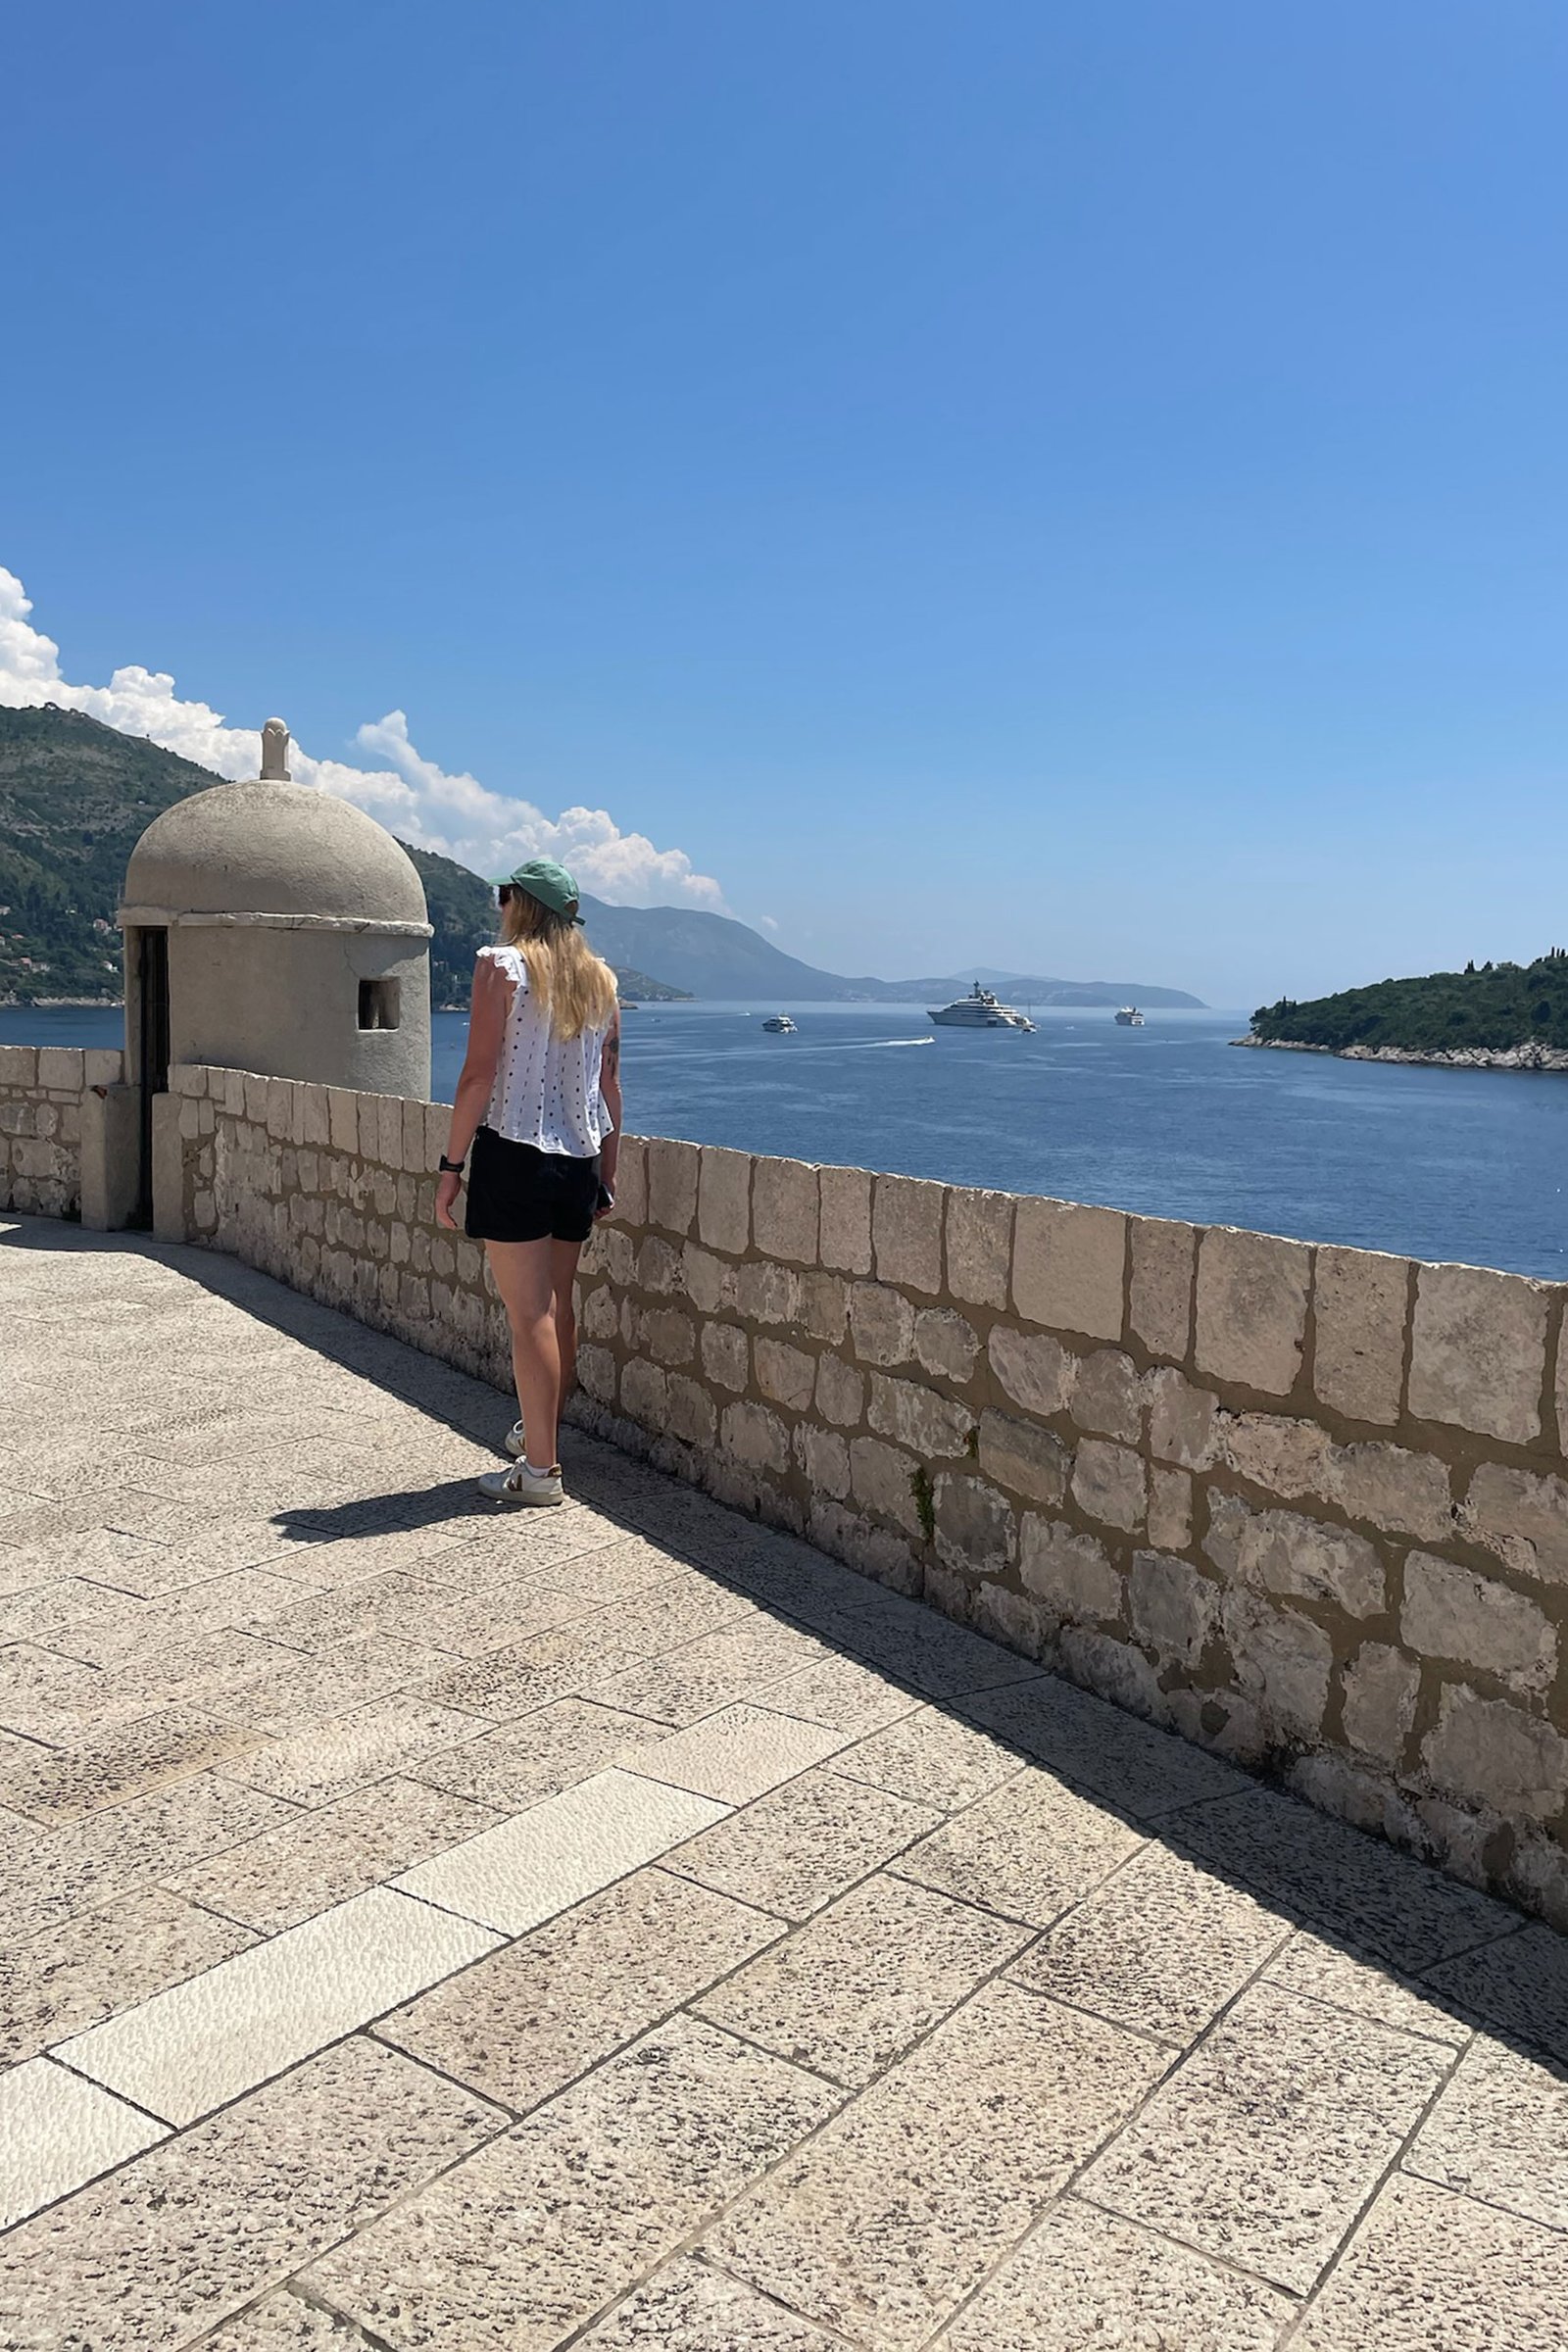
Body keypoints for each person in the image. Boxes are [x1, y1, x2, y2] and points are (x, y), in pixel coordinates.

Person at [434, 858, 620, 1505]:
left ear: (519, 903)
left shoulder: (500, 967)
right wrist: (608, 1174)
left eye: (502, 895)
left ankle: (540, 1473)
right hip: (578, 1162)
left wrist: (450, 1169)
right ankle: (538, 1433)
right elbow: (608, 1085)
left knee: (528, 1314)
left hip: (514, 1154)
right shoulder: (601, 980)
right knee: (557, 1305)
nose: (498, 906)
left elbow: (478, 1076)